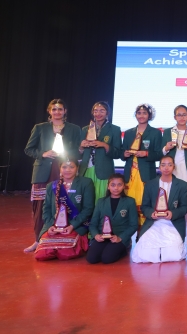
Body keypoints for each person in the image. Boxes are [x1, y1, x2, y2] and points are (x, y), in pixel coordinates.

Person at [23, 99, 82, 253]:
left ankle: (63, 240)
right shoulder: (40, 128)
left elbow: (79, 151)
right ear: (49, 111)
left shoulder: (74, 129)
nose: (57, 112)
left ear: (65, 111)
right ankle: (38, 240)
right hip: (43, 172)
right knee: (40, 208)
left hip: (65, 170)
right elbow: (29, 149)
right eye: (54, 109)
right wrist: (43, 153)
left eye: (60, 109)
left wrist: (67, 154)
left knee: (64, 204)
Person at [131, 156, 187, 263]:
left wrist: (172, 213)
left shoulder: (182, 185)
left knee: (172, 255)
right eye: (163, 165)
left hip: (173, 223)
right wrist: (151, 213)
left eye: (169, 165)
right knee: (146, 255)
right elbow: (145, 206)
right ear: (159, 167)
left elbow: (185, 207)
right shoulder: (150, 184)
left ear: (174, 167)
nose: (166, 168)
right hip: (154, 223)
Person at [34, 159, 94, 261]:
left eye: (71, 167)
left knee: (66, 253)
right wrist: (50, 226)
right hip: (54, 226)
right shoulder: (52, 186)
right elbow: (46, 209)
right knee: (42, 255)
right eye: (64, 167)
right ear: (60, 168)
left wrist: (72, 226)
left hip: (76, 225)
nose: (68, 170)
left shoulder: (86, 183)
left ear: (77, 168)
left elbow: (88, 208)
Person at [121, 103, 162, 233]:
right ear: (136, 115)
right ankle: (127, 234)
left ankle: (145, 233)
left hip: (146, 175)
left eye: (144, 113)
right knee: (129, 204)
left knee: (145, 203)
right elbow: (122, 153)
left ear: (149, 115)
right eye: (139, 113)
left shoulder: (155, 133)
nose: (141, 115)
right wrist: (124, 154)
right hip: (130, 174)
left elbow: (159, 154)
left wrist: (146, 153)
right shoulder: (128, 133)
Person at [87, 174, 138, 264]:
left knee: (107, 258)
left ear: (124, 186)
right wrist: (96, 235)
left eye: (119, 185)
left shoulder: (130, 202)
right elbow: (93, 223)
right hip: (102, 236)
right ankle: (107, 247)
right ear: (108, 186)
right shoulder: (101, 202)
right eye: (113, 185)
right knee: (92, 258)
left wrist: (120, 238)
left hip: (119, 237)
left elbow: (133, 225)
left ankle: (124, 249)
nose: (116, 188)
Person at [79, 101, 122, 204]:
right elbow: (79, 152)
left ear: (107, 113)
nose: (98, 113)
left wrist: (105, 145)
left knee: (101, 199)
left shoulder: (114, 129)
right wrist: (81, 146)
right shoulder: (85, 129)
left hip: (104, 170)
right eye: (96, 111)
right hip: (86, 169)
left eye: (102, 111)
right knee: (86, 199)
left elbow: (118, 153)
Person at [161, 105, 187, 205]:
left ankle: (185, 215)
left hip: (186, 169)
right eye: (179, 115)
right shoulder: (167, 132)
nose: (182, 117)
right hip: (171, 168)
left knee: (186, 196)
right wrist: (166, 148)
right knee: (170, 195)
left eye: (184, 115)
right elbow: (161, 152)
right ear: (175, 117)